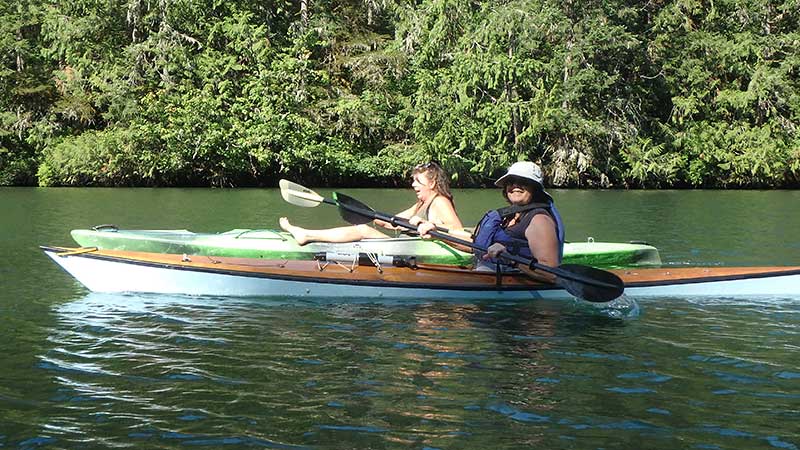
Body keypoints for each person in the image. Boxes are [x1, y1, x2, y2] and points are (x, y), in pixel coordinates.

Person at [417, 161, 564, 277]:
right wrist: (438, 234)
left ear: (535, 188)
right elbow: (477, 246)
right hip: (488, 274)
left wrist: (510, 259)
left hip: (515, 295)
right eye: (511, 181)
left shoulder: (539, 220)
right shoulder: (510, 216)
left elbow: (550, 273)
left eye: (523, 182)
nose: (515, 186)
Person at [279, 161, 463, 245]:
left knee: (363, 230)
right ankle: (308, 234)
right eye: (413, 180)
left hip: (419, 252)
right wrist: (375, 216)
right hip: (405, 247)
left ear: (432, 183)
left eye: (418, 181)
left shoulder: (440, 201)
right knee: (364, 225)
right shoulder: (420, 203)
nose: (413, 184)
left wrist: (432, 226)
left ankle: (306, 235)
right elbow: (396, 221)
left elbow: (458, 231)